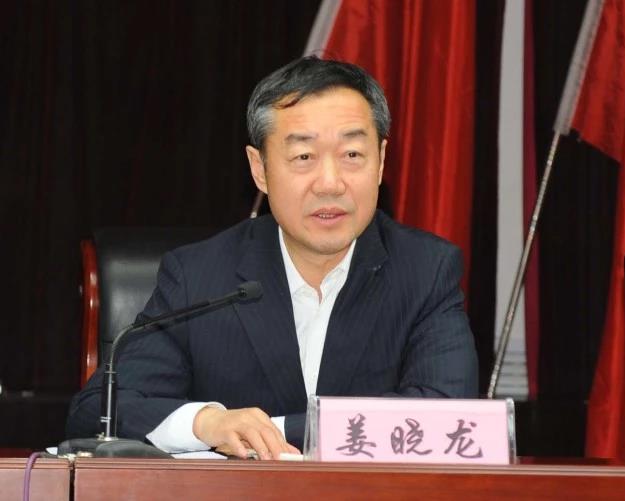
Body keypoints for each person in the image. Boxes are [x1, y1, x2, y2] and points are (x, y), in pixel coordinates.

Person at [66, 56, 478, 460]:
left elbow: (447, 418)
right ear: (259, 168)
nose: (330, 183)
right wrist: (207, 423)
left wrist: (269, 432)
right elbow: (96, 412)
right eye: (304, 157)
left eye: (352, 155)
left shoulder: (426, 271)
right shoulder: (199, 275)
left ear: (382, 161)